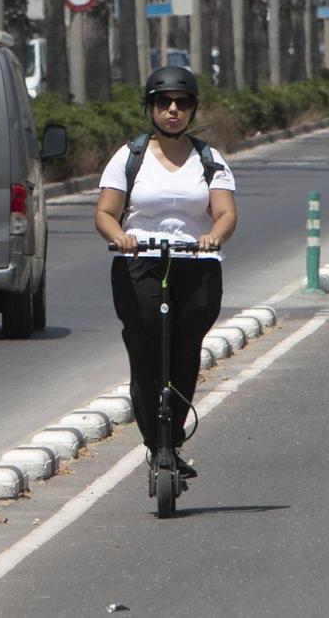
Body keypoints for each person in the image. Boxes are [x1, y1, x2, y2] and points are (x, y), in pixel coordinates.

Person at [93, 65, 237, 477]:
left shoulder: (209, 159)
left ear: (193, 109)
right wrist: (120, 236)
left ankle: (171, 441)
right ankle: (155, 444)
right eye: (163, 102)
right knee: (147, 350)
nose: (172, 110)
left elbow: (225, 213)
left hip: (196, 262)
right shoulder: (129, 156)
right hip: (140, 263)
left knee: (185, 350)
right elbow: (105, 212)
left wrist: (213, 236)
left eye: (182, 103)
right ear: (150, 108)